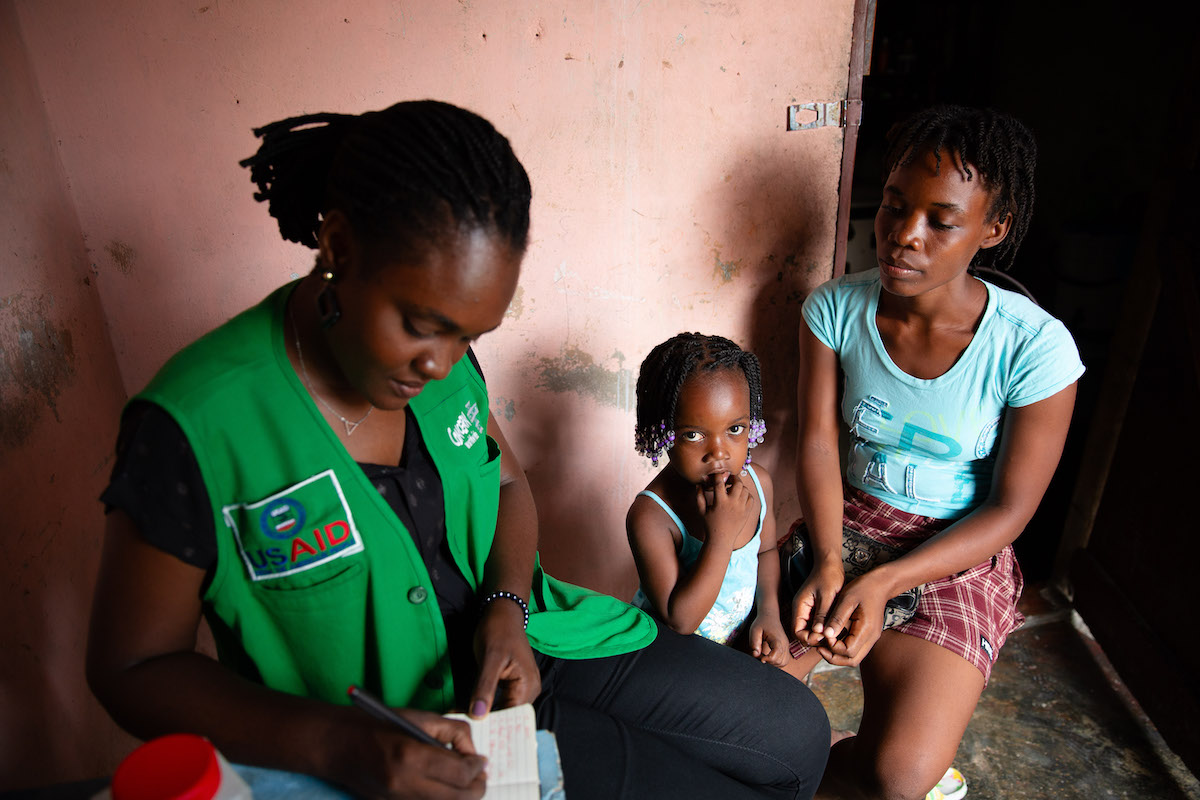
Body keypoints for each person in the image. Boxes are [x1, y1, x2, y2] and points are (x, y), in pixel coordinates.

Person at [86, 99, 830, 800]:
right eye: (421, 327)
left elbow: (507, 487)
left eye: (470, 337)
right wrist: (339, 745)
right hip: (401, 735)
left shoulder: (444, 366)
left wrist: (506, 604)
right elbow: (133, 667)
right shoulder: (192, 427)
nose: (442, 366)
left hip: (530, 646)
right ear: (338, 246)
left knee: (797, 738)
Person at [788, 105, 1083, 800]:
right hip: (847, 520)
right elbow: (819, 443)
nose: (903, 236)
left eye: (940, 222)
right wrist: (830, 559)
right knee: (750, 726)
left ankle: (905, 766)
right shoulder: (834, 310)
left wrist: (886, 582)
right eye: (893, 206)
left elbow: (1010, 511)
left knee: (898, 778)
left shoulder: (1035, 349)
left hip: (957, 550)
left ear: (994, 228)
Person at [626, 333, 791, 669]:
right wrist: (720, 536)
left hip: (732, 649)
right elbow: (679, 621)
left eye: (735, 429)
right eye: (693, 434)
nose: (718, 452)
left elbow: (767, 550)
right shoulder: (651, 516)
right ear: (662, 432)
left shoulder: (759, 483)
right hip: (669, 659)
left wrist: (769, 614)